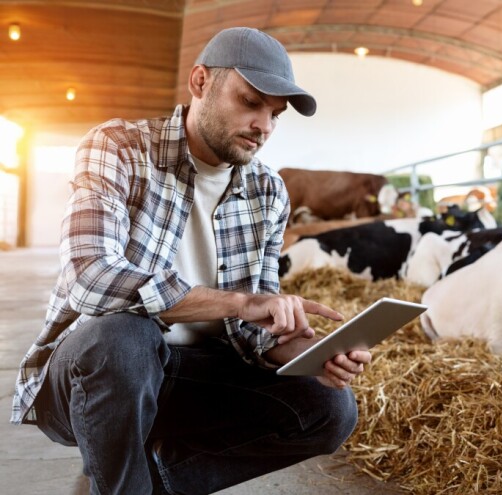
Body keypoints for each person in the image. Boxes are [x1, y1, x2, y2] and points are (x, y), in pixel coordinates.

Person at [10, 27, 372, 494]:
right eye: (249, 102)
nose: (264, 125)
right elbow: (90, 279)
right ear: (200, 82)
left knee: (328, 408)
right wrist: (239, 303)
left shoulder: (267, 191)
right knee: (124, 335)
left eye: (275, 114)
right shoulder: (119, 147)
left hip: (192, 376)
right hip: (92, 374)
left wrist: (308, 351)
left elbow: (251, 335)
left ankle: (134, 481)